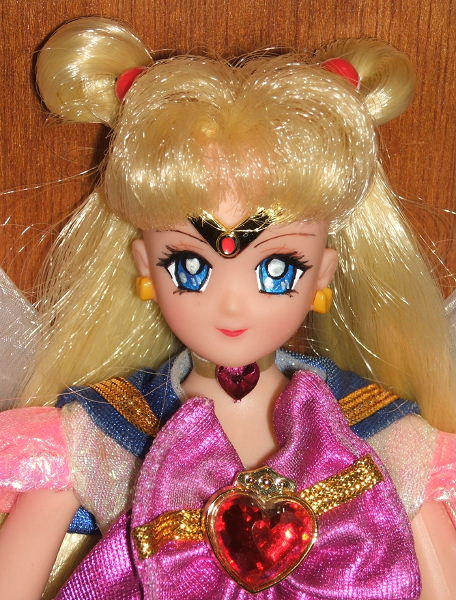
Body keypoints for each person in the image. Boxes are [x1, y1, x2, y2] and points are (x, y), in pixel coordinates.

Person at [0, 16, 454, 600]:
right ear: (146, 267)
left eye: (276, 269)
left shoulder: (373, 433)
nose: (232, 300)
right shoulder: (103, 432)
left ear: (322, 273)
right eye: (191, 267)